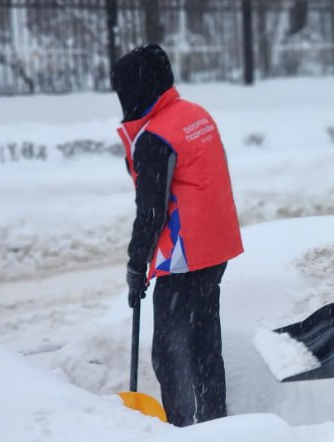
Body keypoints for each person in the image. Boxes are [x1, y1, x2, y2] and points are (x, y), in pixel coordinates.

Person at [110, 44, 244, 427]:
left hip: (184, 255)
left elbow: (150, 212)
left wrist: (137, 266)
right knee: (204, 342)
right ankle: (218, 422)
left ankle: (182, 428)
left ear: (137, 89)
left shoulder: (156, 136)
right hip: (215, 247)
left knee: (171, 354)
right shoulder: (194, 115)